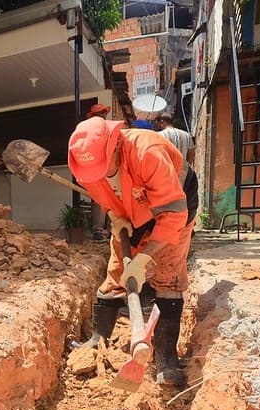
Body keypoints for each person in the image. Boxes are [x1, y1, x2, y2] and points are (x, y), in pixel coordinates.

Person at [68, 117, 199, 386]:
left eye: (104, 168)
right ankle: (96, 342)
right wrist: (115, 216)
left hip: (174, 203)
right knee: (117, 271)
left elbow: (173, 214)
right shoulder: (87, 167)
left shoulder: (147, 153)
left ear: (116, 145)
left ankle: (166, 360)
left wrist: (144, 259)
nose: (100, 176)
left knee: (166, 273)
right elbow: (104, 196)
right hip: (130, 208)